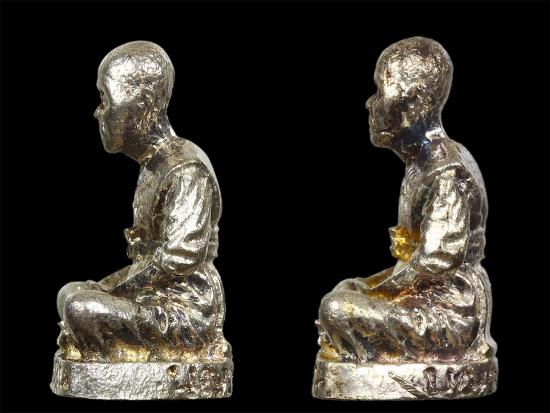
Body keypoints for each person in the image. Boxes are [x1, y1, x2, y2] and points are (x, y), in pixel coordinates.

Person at [317, 37, 497, 365]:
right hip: (421, 300)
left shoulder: (447, 171)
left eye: (380, 91)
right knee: (347, 290)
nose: (370, 104)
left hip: (448, 313)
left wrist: (379, 292)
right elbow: (411, 264)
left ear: (415, 105)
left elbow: (433, 265)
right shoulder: (420, 164)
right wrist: (371, 286)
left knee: (337, 308)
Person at [56, 41, 229, 363]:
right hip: (149, 295)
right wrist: (107, 286)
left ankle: (108, 356)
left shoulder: (184, 169)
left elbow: (177, 261)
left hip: (182, 310)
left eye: (106, 99)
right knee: (70, 293)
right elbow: (146, 261)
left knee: (81, 307)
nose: (98, 111)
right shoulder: (154, 164)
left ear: (142, 105)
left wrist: (114, 292)